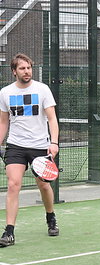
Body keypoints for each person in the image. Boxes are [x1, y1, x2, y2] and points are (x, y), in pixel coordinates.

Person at [0, 53, 60, 247]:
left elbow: (52, 118)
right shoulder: (5, 93)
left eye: (29, 68)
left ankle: (50, 217)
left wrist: (54, 142)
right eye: (22, 68)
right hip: (16, 145)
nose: (27, 71)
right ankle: (9, 232)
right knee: (13, 184)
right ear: (14, 71)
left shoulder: (42, 90)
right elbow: (3, 121)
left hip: (40, 145)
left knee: (43, 186)